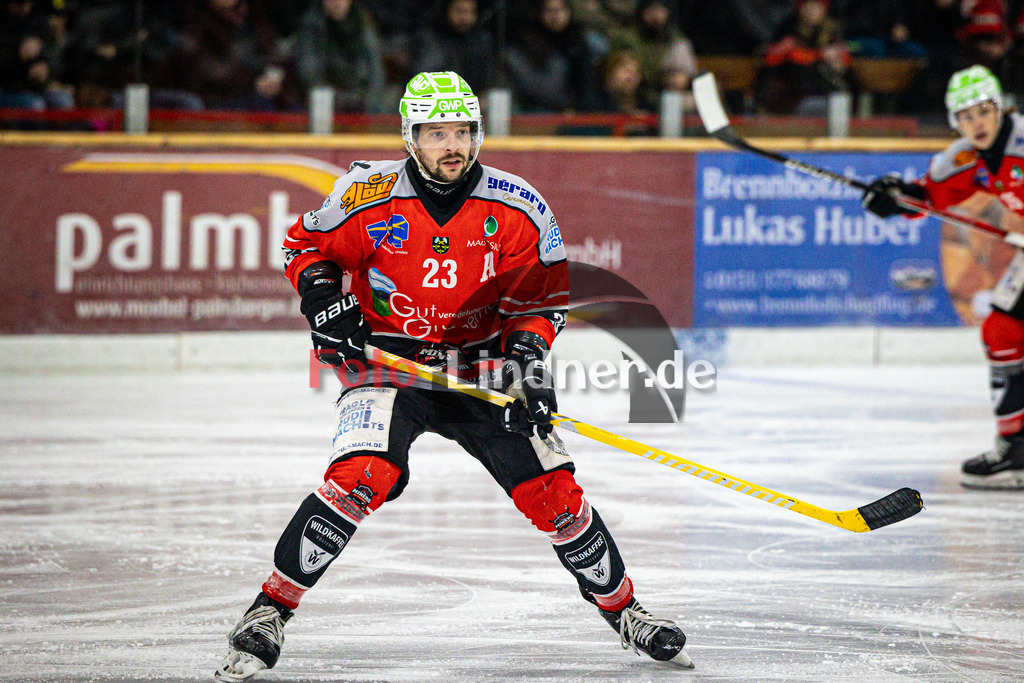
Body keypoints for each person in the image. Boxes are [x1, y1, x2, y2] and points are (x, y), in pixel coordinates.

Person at [213, 70, 694, 681]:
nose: (453, 146)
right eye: (437, 133)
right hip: (388, 363)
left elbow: (541, 298)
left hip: (481, 367)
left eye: (463, 132)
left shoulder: (517, 205)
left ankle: (627, 612)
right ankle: (269, 611)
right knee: (361, 476)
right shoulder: (367, 194)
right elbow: (303, 249)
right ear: (410, 137)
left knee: (554, 495)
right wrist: (324, 301)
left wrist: (527, 361)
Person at [862, 64, 1024, 489]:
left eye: (984, 111)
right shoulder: (966, 158)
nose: (977, 123)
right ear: (956, 122)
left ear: (1001, 109)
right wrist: (896, 197)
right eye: (966, 116)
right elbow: (928, 196)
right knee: (1002, 331)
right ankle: (1015, 447)